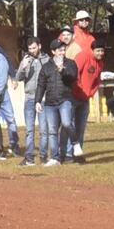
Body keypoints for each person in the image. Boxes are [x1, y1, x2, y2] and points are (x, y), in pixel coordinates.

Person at [35, 38, 77, 167]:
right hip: (50, 103)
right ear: (53, 52)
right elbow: (41, 85)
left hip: (65, 100)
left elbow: (73, 77)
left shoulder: (70, 63)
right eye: (59, 50)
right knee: (52, 131)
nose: (62, 52)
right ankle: (54, 157)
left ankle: (75, 144)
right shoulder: (46, 67)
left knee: (66, 123)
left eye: (64, 50)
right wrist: (37, 101)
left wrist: (62, 70)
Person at [15, 36, 49, 166]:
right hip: (29, 98)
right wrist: (23, 66)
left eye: (34, 48)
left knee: (43, 130)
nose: (32, 51)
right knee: (29, 130)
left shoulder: (47, 60)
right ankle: (29, 158)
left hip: (43, 98)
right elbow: (18, 78)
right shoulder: (26, 60)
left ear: (39, 46)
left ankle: (43, 156)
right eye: (30, 49)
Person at [71, 39, 106, 161]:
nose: (100, 53)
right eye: (98, 51)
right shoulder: (83, 56)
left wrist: (91, 92)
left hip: (85, 99)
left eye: (102, 51)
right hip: (73, 96)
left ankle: (77, 153)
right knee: (69, 126)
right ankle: (66, 153)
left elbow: (97, 80)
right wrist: (79, 88)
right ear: (92, 50)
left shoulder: (100, 63)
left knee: (81, 127)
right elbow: (74, 73)